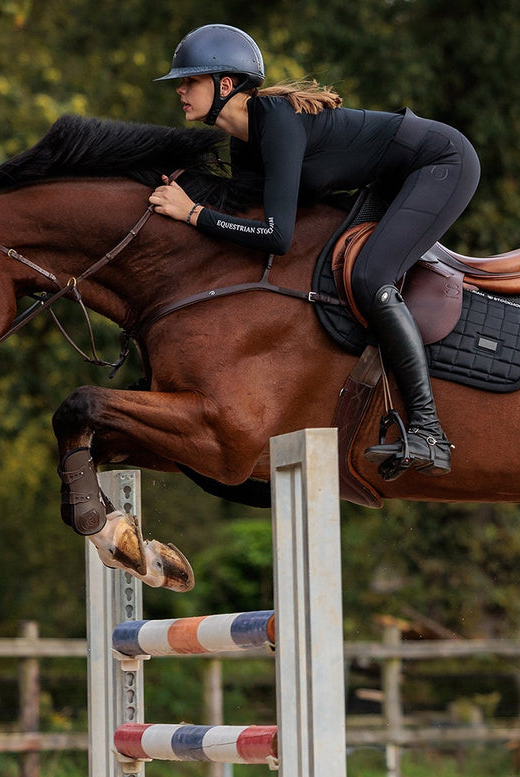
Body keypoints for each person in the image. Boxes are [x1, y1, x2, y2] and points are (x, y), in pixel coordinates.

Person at [149, 24, 480, 478]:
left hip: (441, 162)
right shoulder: (245, 143)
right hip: (390, 179)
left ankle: (429, 432)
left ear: (225, 85)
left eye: (190, 81)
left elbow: (275, 235)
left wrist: (192, 215)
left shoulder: (276, 119)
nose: (181, 90)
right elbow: (240, 210)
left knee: (369, 277)